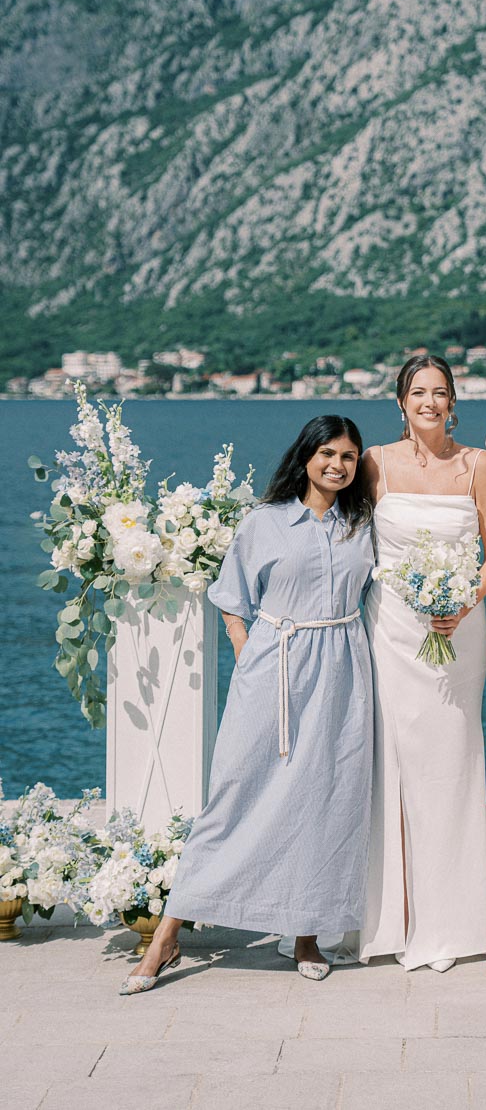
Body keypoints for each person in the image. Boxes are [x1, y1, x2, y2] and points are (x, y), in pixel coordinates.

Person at [120, 416, 375, 994]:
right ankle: (168, 934)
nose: (338, 465)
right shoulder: (265, 522)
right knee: (233, 796)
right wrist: (247, 652)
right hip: (275, 666)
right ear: (305, 455)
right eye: (328, 453)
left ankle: (305, 932)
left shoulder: (361, 524)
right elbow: (231, 598)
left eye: (350, 457)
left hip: (342, 671)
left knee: (324, 800)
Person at [356, 355, 486, 972]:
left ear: (453, 403)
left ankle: (450, 923)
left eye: (440, 392)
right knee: (389, 767)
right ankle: (390, 917)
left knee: (450, 765)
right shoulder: (373, 464)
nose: (430, 401)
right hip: (389, 632)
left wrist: (463, 602)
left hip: (457, 636)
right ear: (400, 403)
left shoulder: (479, 465)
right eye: (419, 392)